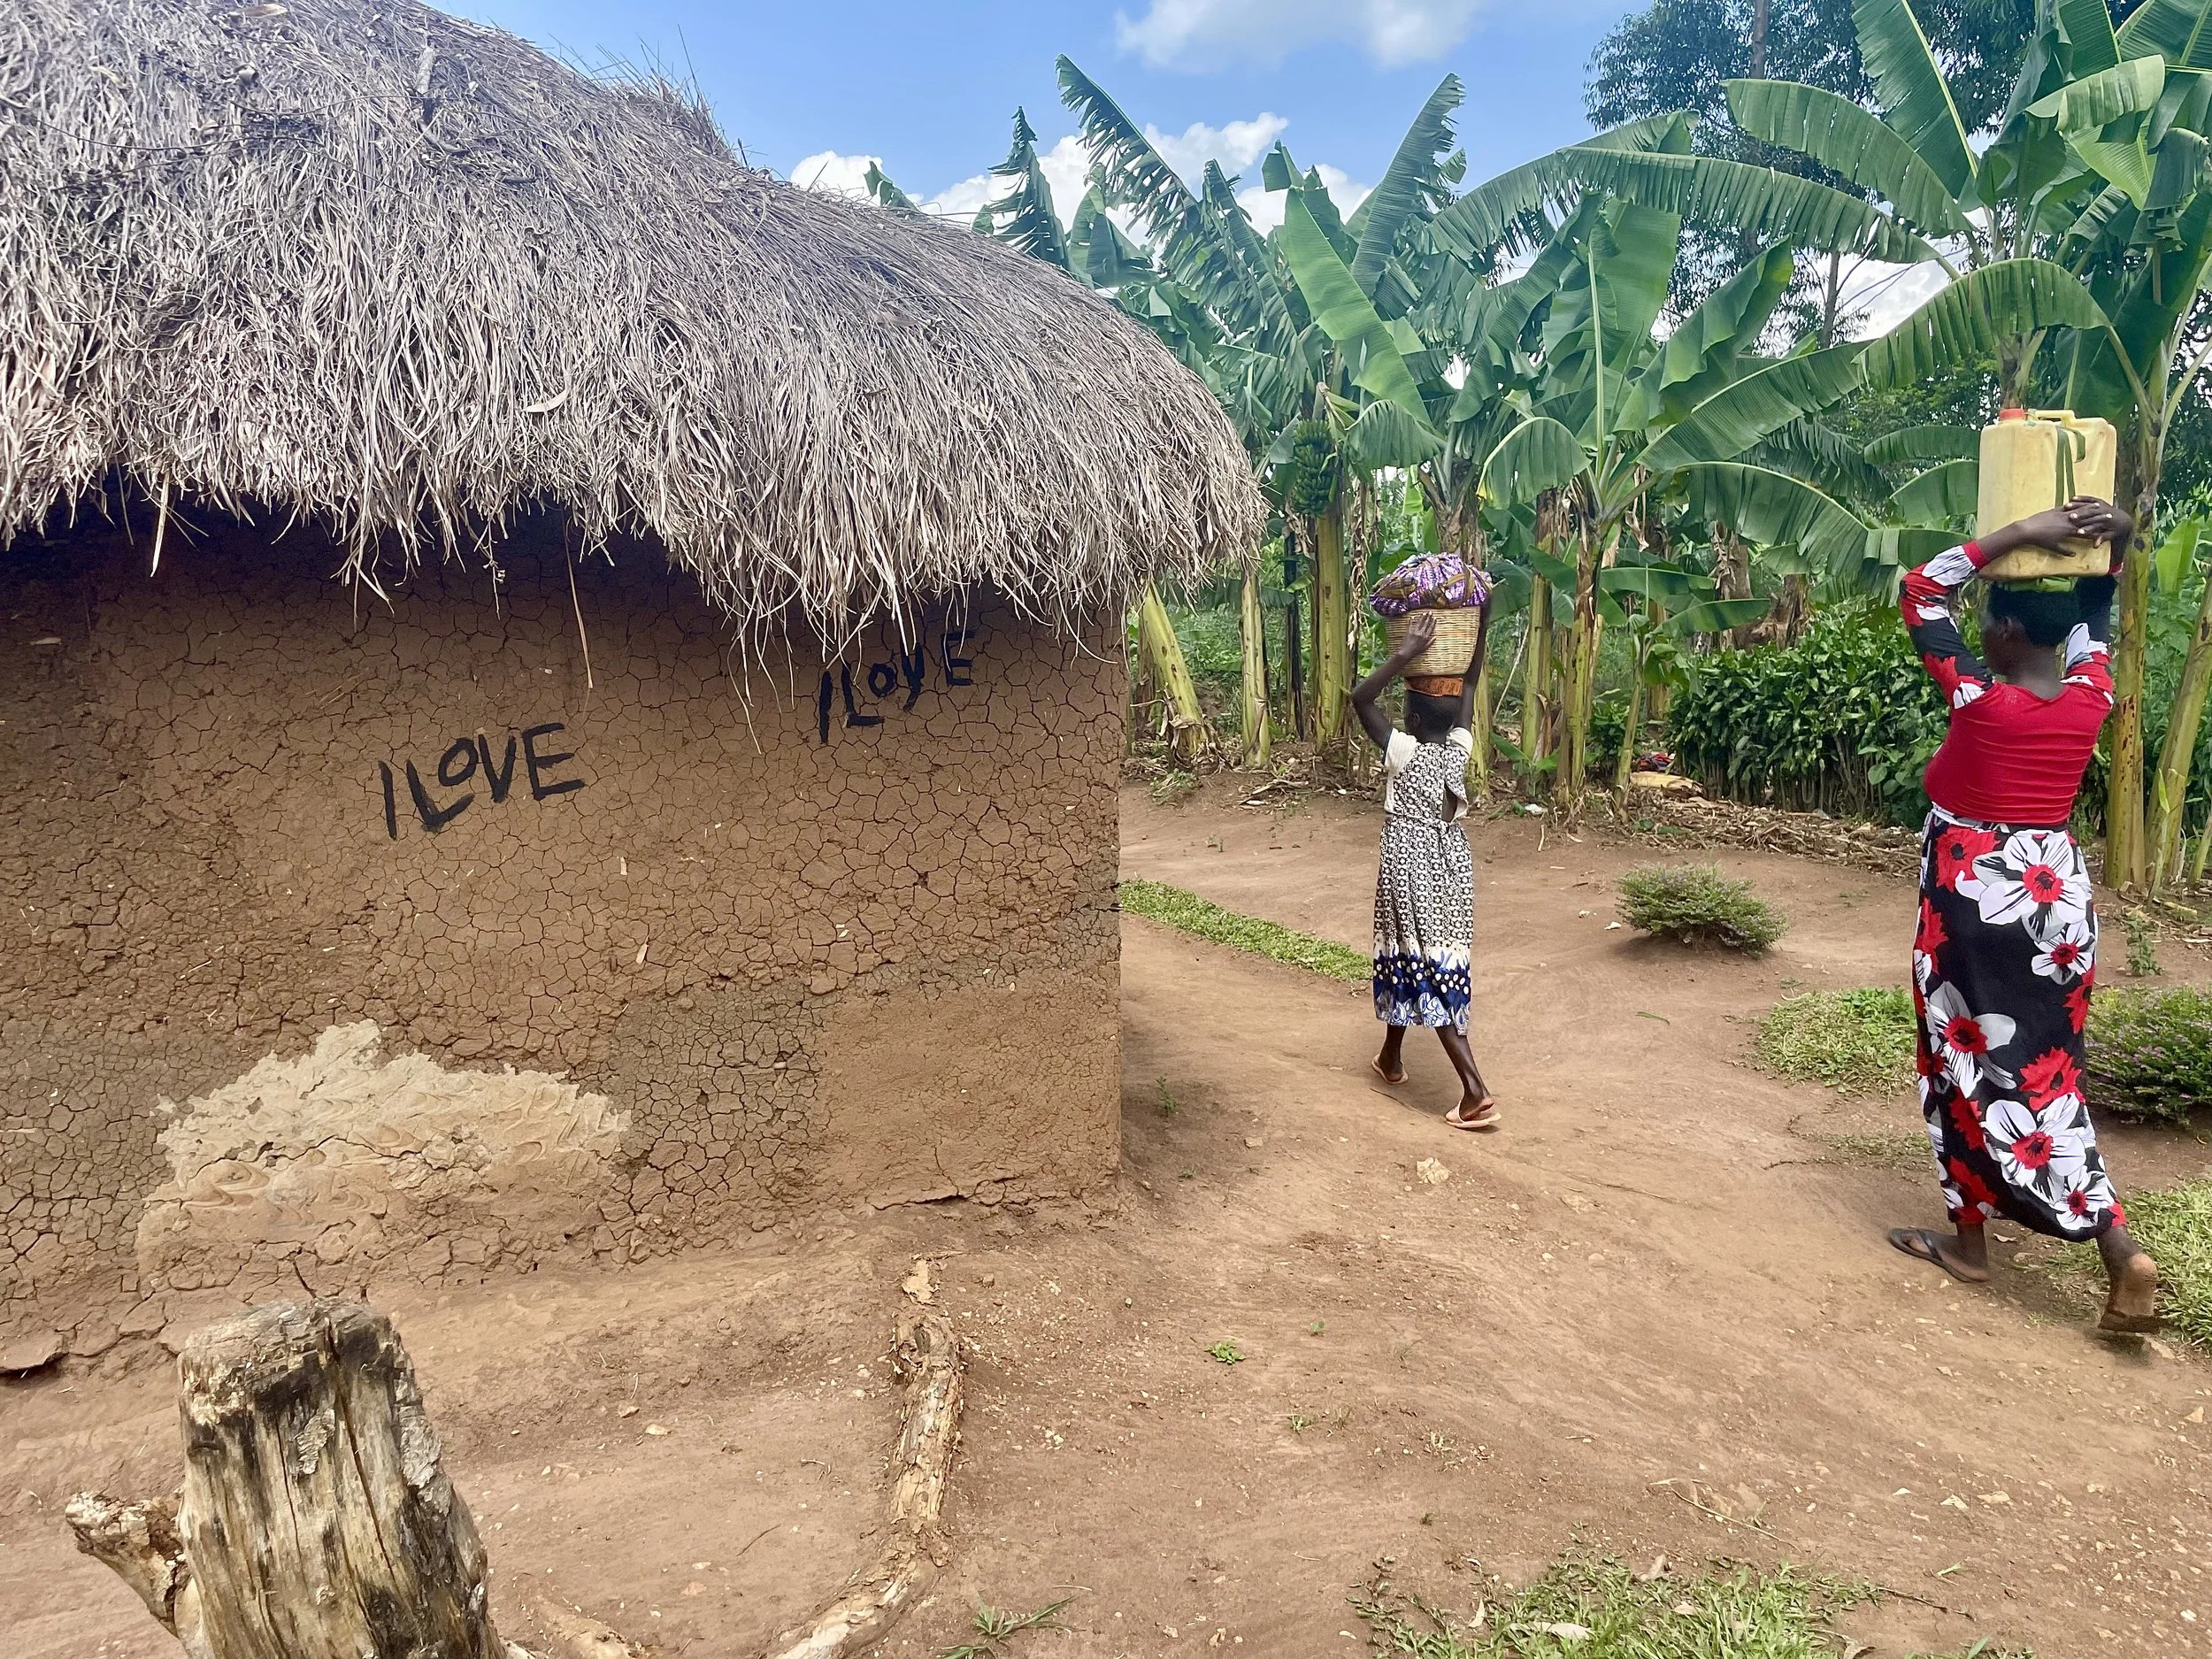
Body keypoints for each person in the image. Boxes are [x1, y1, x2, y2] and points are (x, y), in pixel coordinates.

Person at [1890, 497, 2161, 1334]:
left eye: (1992, 622)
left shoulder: (1981, 701)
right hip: (2056, 900)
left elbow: (1919, 592)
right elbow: (2095, 613)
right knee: (2046, 1072)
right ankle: (2117, 1251)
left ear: (2004, 630)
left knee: (1961, 1061)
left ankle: (1974, 1243)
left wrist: (2018, 537)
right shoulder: (2093, 693)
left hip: (1973, 905)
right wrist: (2108, 545)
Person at [1352, 607, 1498, 1130]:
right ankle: (1391, 1057)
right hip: (1450, 866)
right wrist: (1480, 625)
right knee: (1415, 955)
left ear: (1411, 721)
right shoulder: (1459, 750)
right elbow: (1472, 681)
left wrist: (1405, 654)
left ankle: (1475, 1091)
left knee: (1423, 965)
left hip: (1408, 865)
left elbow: (1360, 698)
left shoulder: (1403, 753)